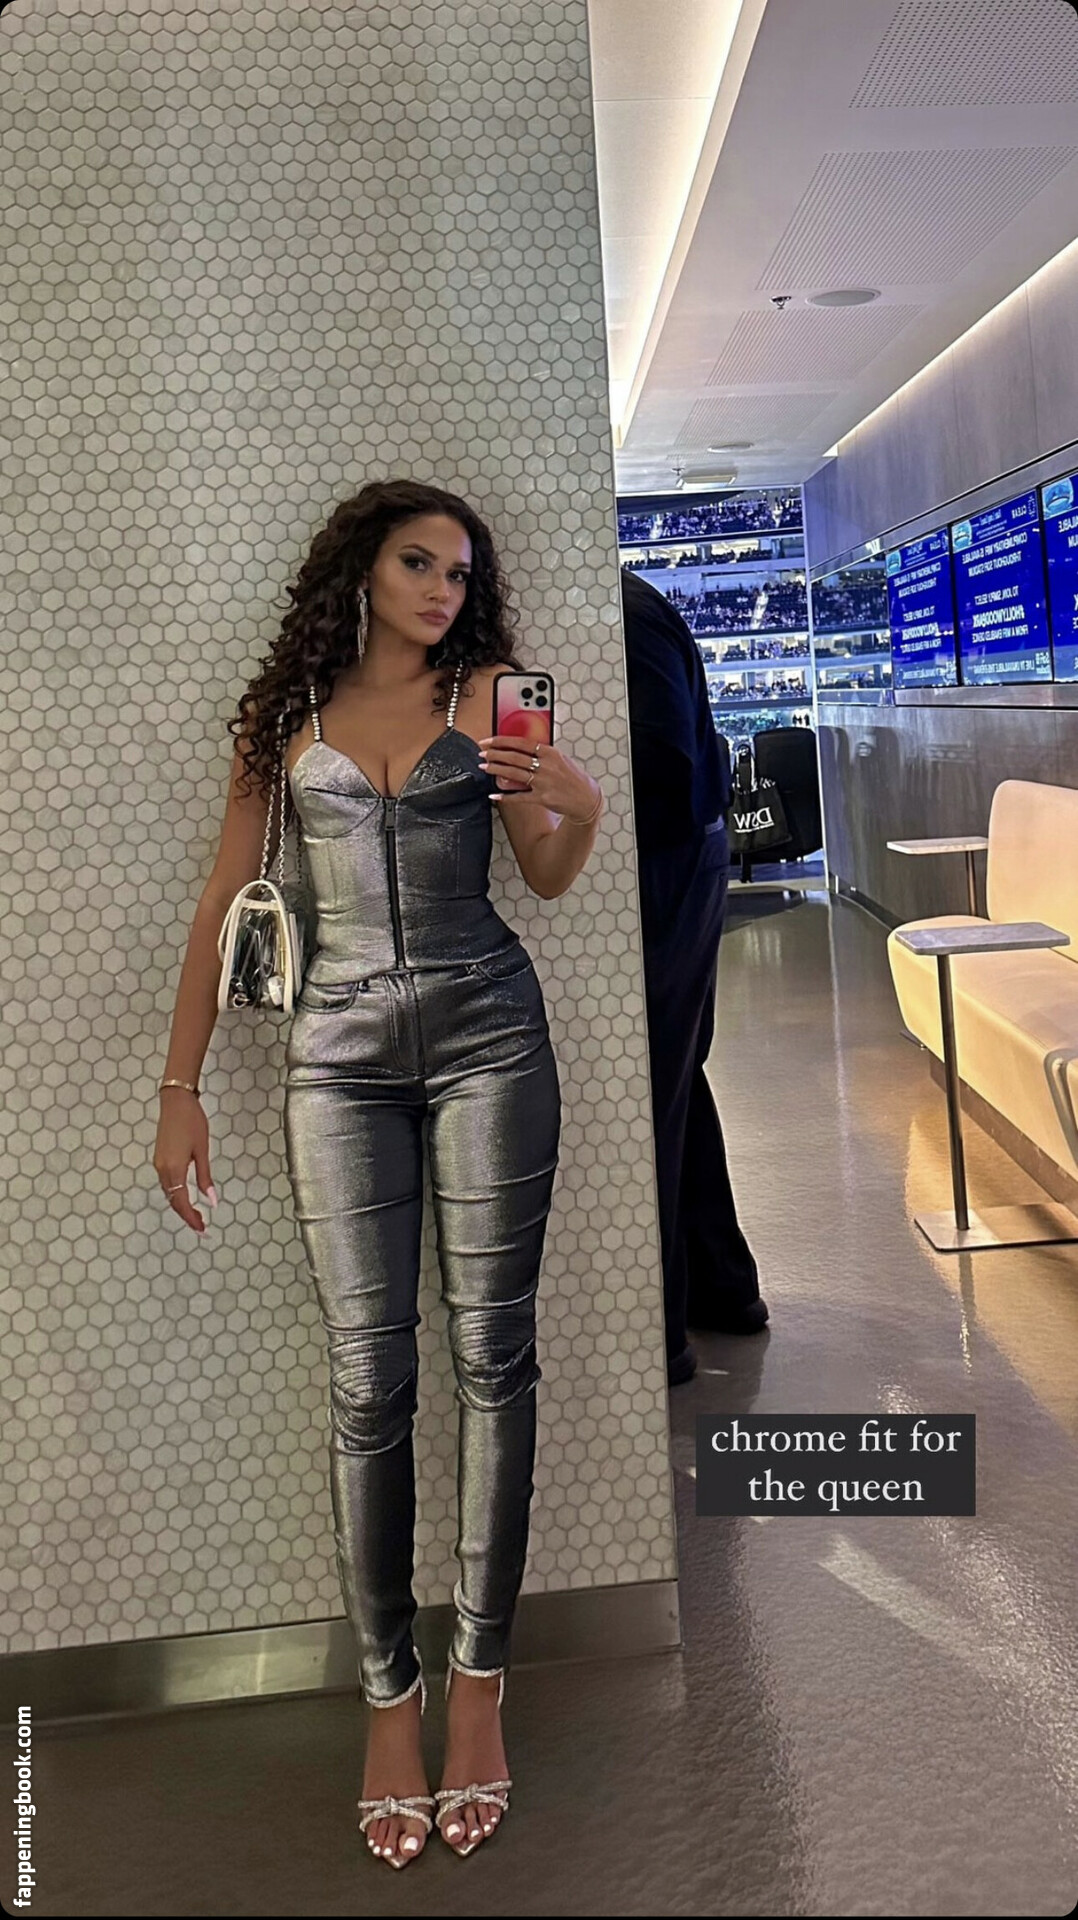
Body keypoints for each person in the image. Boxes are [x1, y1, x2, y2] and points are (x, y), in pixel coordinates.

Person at [154, 481, 604, 1868]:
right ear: (361, 567)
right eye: (419, 563)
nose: (441, 592)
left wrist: (579, 805)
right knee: (368, 1379)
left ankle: (479, 1688)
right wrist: (177, 1090)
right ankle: (386, 1703)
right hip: (334, 1057)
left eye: (459, 573)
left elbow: (545, 876)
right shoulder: (282, 713)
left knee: (494, 1359)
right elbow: (224, 896)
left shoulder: (500, 694)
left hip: (491, 1040)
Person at [620, 567, 767, 1388]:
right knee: (672, 1076)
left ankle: (660, 1328)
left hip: (669, 862)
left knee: (650, 1086)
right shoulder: (631, 604)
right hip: (683, 854)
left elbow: (665, 768)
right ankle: (720, 1285)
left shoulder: (624, 613)